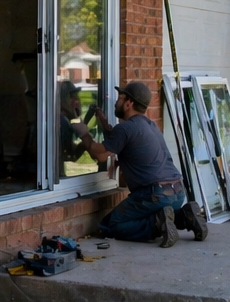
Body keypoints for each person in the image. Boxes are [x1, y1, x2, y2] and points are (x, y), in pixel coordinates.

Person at [68, 81, 207, 246]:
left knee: (111, 225)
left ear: (129, 103)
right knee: (157, 211)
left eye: (120, 98)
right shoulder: (150, 125)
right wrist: (102, 120)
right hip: (177, 192)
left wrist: (83, 132)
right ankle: (185, 216)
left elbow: (99, 155)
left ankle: (157, 223)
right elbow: (120, 141)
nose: (116, 101)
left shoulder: (126, 129)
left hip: (154, 194)